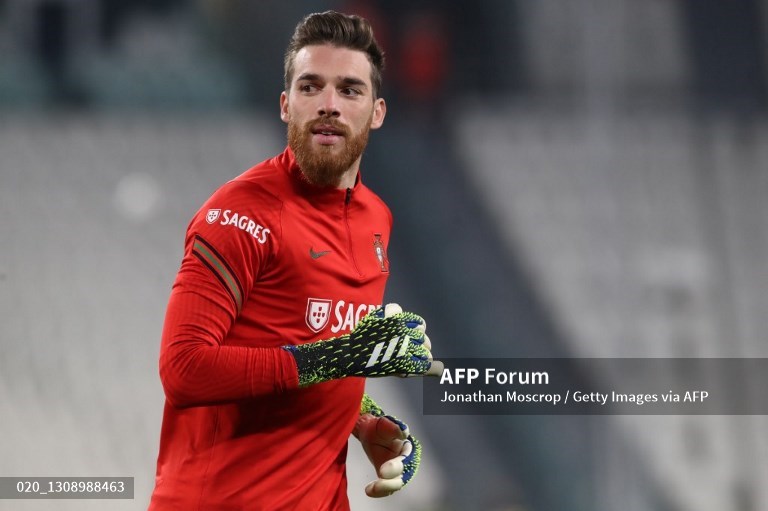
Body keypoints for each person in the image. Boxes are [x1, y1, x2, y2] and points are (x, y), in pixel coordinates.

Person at [148, 10, 443, 511]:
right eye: (311, 87)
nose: (329, 105)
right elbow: (184, 368)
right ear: (287, 105)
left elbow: (304, 351)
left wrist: (364, 419)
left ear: (377, 112)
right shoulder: (240, 213)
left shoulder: (376, 220)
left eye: (350, 90)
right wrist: (343, 357)